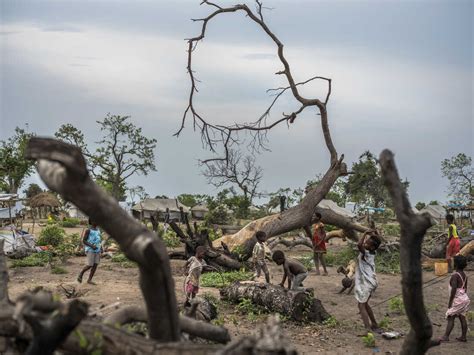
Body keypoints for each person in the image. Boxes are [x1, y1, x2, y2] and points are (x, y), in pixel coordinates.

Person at [354, 231, 382, 332]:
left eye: (367, 242)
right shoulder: (372, 252)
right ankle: (374, 324)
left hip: (367, 283)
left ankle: (367, 329)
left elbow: (358, 244)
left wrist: (365, 232)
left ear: (372, 247)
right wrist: (373, 234)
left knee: (361, 305)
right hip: (371, 282)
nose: (365, 242)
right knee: (365, 304)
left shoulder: (366, 253)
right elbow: (365, 243)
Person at [439, 255, 470, 343]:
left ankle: (446, 336)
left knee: (450, 316)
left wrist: (450, 302)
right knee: (462, 317)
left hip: (458, 299)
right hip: (464, 298)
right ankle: (463, 337)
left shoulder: (455, 276)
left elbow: (453, 290)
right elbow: (465, 288)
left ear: (455, 265)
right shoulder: (464, 275)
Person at [77, 220, 102, 285]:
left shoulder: (98, 230)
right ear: (92, 221)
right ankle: (81, 274)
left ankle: (89, 280)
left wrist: (101, 248)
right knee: (90, 265)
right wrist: (92, 246)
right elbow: (84, 241)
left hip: (97, 249)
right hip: (90, 249)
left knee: (95, 265)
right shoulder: (88, 230)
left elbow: (99, 240)